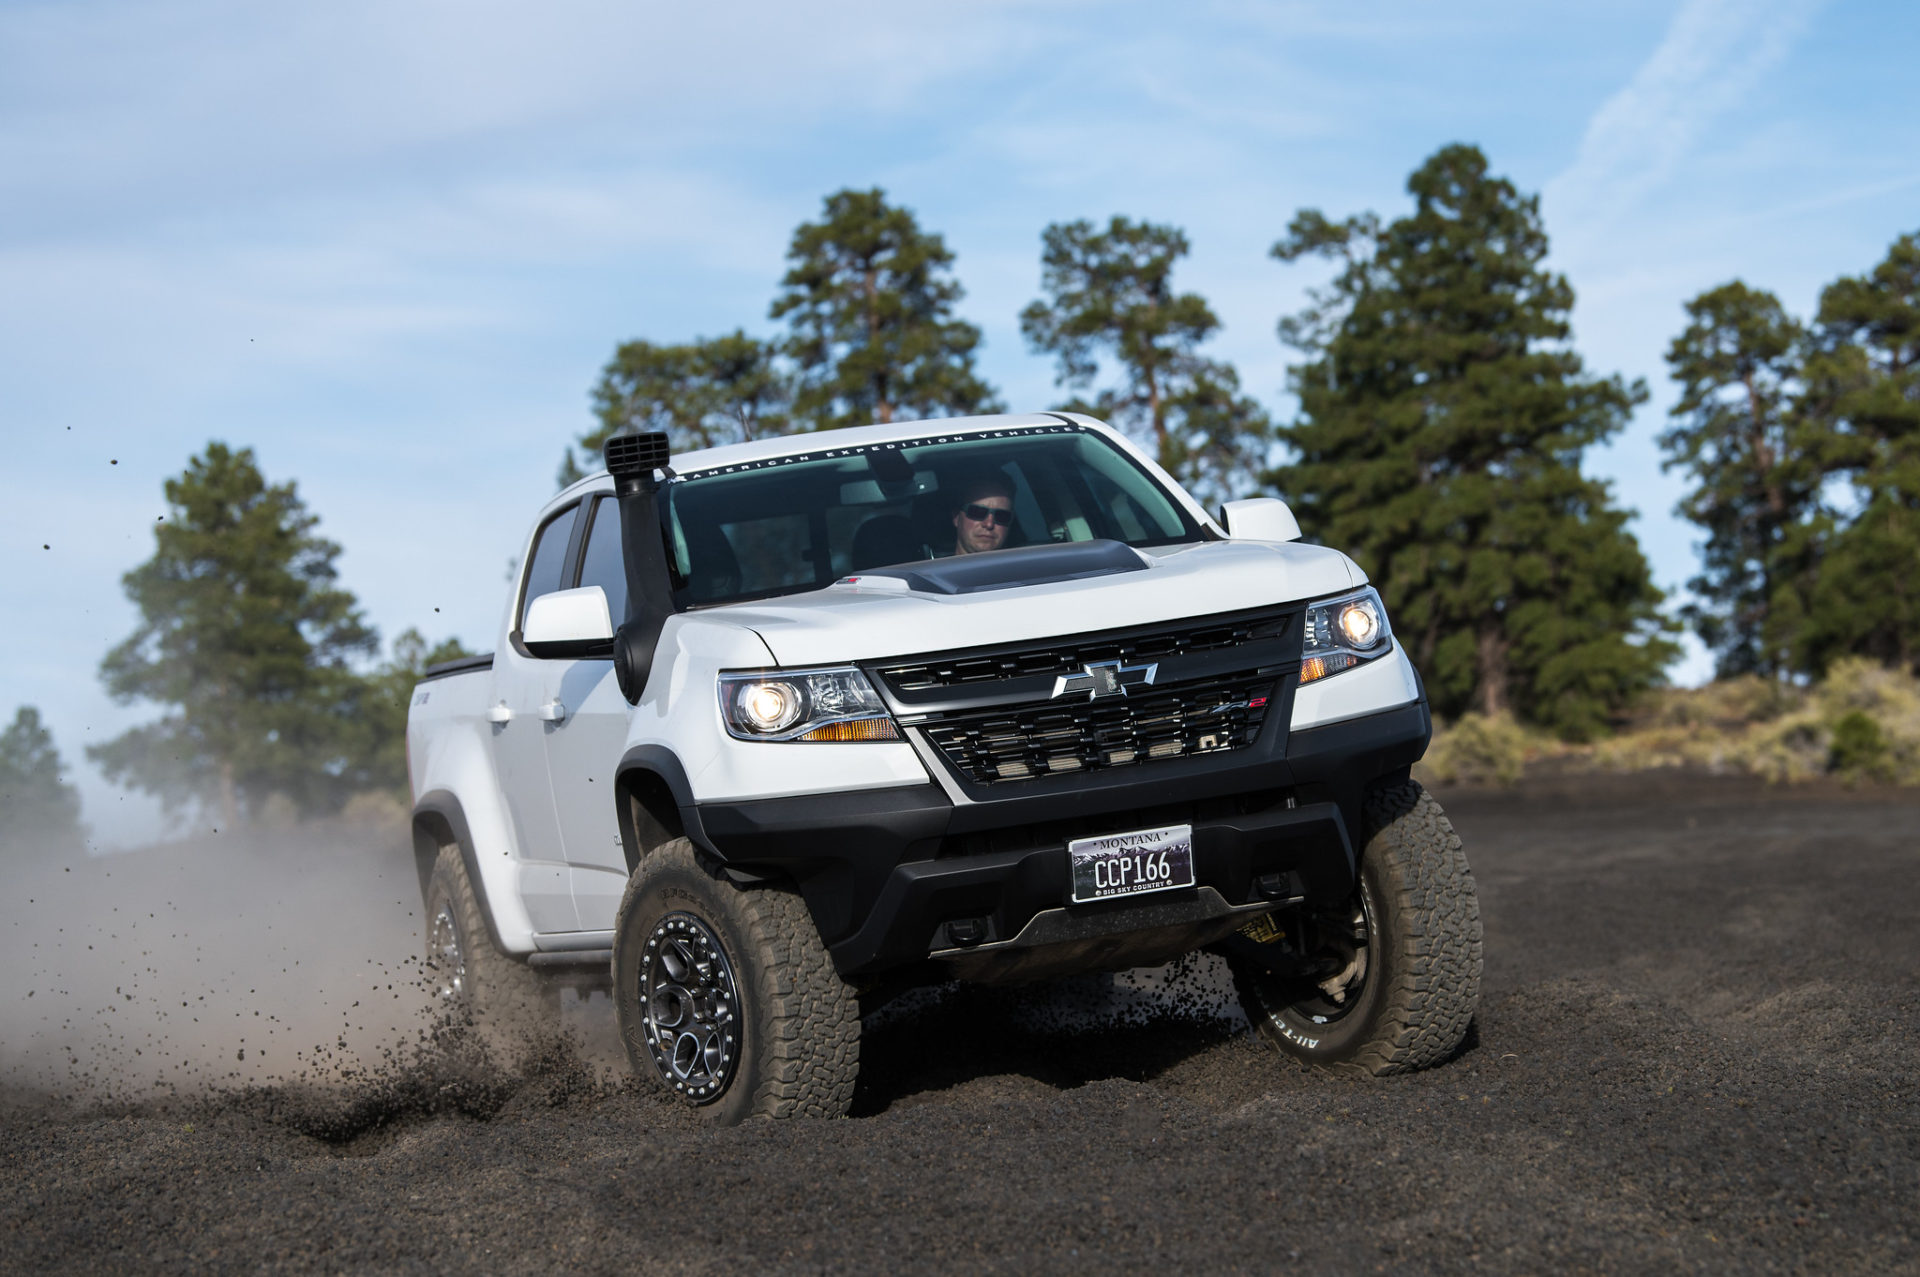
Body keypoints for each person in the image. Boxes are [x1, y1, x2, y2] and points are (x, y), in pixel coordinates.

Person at [947, 473, 1016, 556]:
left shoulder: (1027, 568)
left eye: (1001, 516)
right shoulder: (934, 568)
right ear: (956, 517)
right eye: (977, 512)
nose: (989, 524)